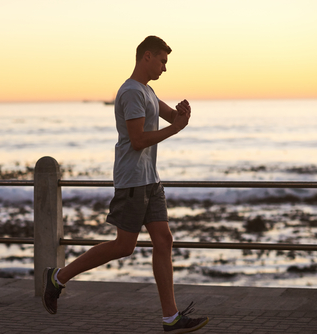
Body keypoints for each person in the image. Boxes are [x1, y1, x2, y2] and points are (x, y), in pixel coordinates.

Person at [42, 36, 209, 333]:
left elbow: (171, 116)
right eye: (162, 61)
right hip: (132, 181)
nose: (164, 68)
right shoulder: (131, 92)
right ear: (147, 56)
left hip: (151, 180)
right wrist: (175, 129)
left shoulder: (147, 90)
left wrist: (182, 115)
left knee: (164, 240)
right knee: (123, 246)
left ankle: (171, 317)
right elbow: (138, 140)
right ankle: (58, 277)